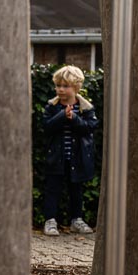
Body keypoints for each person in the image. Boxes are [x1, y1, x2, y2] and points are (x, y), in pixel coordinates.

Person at [40, 65, 98, 236]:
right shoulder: (52, 107)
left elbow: (89, 128)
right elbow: (46, 127)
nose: (60, 89)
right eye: (58, 86)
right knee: (52, 189)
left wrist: (74, 118)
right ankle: (50, 221)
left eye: (65, 86)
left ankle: (76, 220)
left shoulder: (85, 108)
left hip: (77, 158)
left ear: (76, 87)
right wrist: (61, 116)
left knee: (76, 189)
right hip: (56, 157)